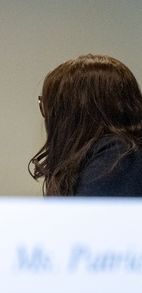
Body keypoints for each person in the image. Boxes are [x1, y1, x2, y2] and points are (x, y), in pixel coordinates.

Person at [29, 53, 142, 196]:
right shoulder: (119, 154)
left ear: (71, 112)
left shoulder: (118, 156)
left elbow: (86, 218)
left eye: (47, 105)